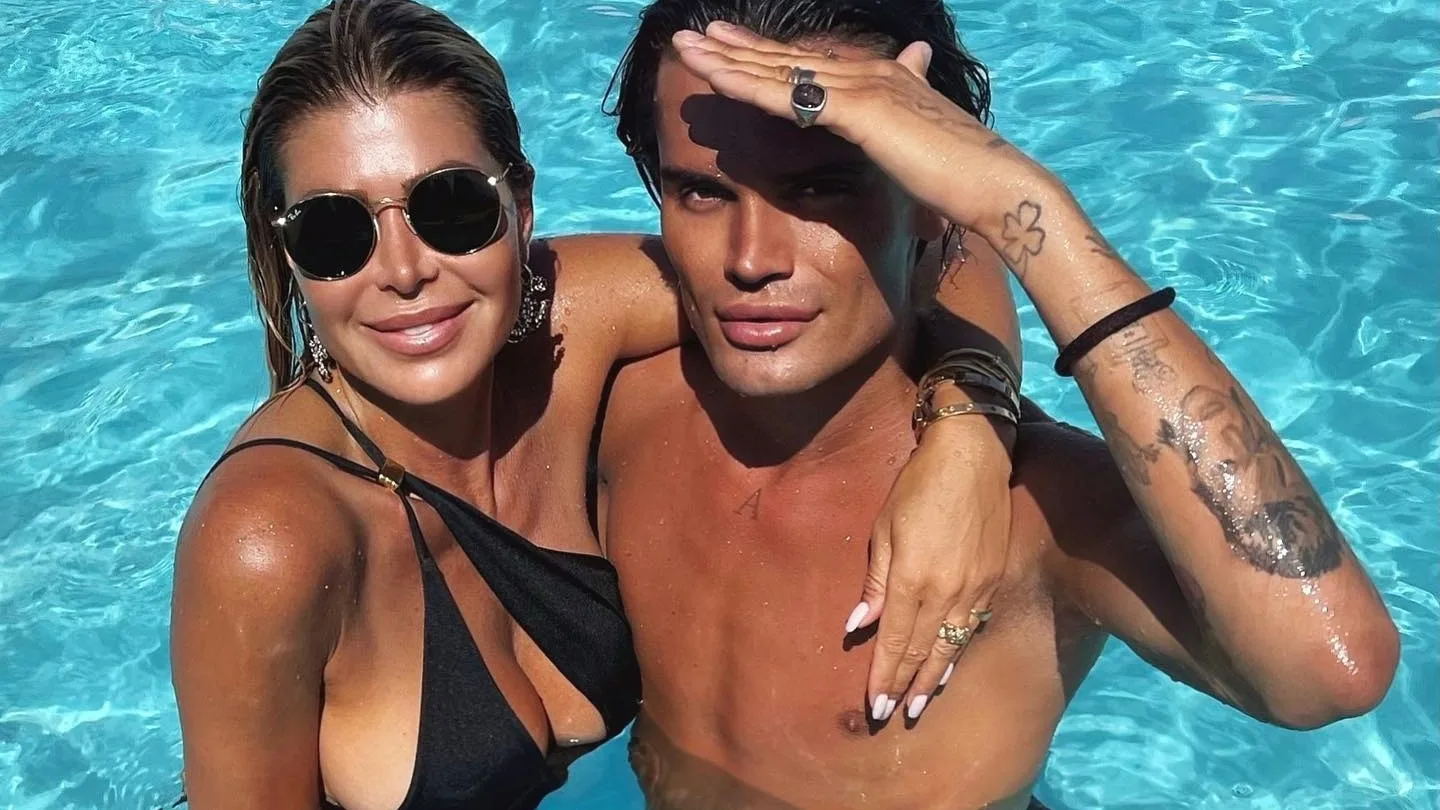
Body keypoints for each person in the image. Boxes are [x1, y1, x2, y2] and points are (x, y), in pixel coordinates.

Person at [513, 2, 1399, 808]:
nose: (752, 258)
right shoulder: (628, 393)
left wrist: (1019, 202)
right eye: (702, 192)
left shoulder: (1033, 513)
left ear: (933, 200)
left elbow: (1328, 673)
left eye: (824, 188)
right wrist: (972, 400)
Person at [168, 1, 1025, 807]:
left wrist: (969, 432)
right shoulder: (269, 539)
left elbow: (933, 256)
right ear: (288, 256)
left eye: (451, 207)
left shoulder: (569, 330)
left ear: (520, 206)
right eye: (333, 232)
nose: (402, 272)